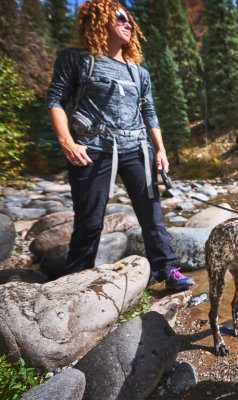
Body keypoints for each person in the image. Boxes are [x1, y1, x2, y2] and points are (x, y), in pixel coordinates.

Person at [47, 0, 194, 290]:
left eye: (130, 21)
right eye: (120, 19)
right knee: (90, 221)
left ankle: (167, 270)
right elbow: (55, 100)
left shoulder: (139, 72)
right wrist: (67, 142)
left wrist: (161, 150)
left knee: (152, 216)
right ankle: (74, 281)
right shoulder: (76, 59)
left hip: (137, 147)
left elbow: (149, 112)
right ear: (99, 21)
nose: (128, 25)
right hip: (92, 148)